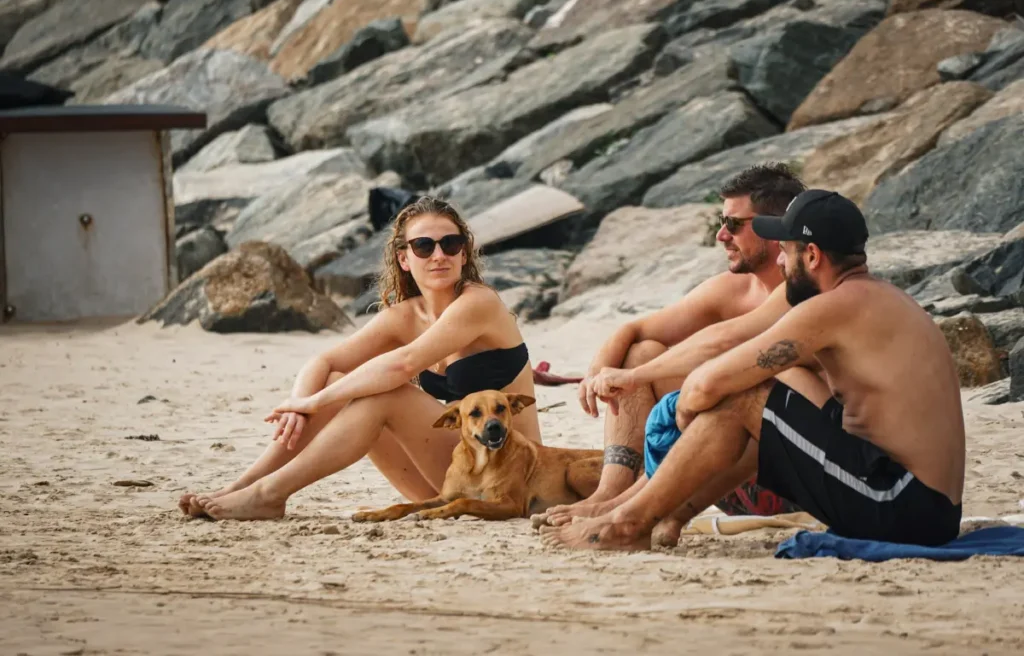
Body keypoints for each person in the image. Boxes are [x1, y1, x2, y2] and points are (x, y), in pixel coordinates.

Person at [540, 190, 965, 551]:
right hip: (921, 506)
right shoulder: (876, 297)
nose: (781, 263)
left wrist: (691, 409)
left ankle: (628, 524)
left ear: (812, 255)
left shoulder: (831, 307)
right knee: (759, 394)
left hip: (899, 503)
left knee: (743, 397)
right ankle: (655, 516)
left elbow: (709, 383)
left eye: (787, 251)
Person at [178, 196, 542, 521]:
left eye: (450, 243)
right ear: (403, 258)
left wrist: (314, 401)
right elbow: (322, 362)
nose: (439, 255)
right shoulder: (404, 317)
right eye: (423, 246)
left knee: (386, 394)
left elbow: (404, 365)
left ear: (464, 253)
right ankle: (245, 485)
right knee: (338, 383)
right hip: (456, 476)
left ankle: (267, 494)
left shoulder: (480, 303)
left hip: (514, 478)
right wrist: (300, 404)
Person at [538, 164, 806, 530]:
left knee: (732, 385)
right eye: (720, 221)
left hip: (789, 474)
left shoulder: (802, 289)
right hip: (720, 471)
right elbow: (633, 329)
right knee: (643, 349)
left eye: (733, 224)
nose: (720, 236)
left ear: (775, 229)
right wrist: (596, 375)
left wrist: (632, 377)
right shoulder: (731, 289)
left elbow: (723, 340)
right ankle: (611, 494)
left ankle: (632, 504)